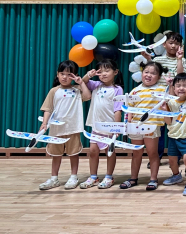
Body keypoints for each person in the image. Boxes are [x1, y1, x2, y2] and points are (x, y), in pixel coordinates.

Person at [38, 60, 91, 191]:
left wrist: (81, 82)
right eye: (62, 73)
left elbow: (88, 96)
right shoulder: (54, 91)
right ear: (57, 74)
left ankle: (74, 177)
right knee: (56, 155)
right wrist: (45, 123)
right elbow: (48, 109)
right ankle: (54, 178)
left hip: (73, 128)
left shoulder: (77, 90)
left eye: (69, 74)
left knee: (74, 154)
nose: (65, 77)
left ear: (74, 75)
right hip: (56, 130)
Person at [119, 61, 168, 191]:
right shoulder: (135, 91)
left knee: (152, 153)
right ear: (141, 73)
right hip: (135, 126)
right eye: (146, 72)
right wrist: (128, 124)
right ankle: (133, 178)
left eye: (153, 73)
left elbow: (170, 100)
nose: (148, 75)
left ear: (158, 77)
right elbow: (130, 109)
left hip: (152, 126)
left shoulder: (162, 90)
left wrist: (170, 85)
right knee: (136, 153)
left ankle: (153, 179)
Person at [142, 31, 186, 167]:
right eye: (171, 43)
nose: (173, 46)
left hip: (176, 100)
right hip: (159, 100)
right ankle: (156, 157)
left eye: (177, 43)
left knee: (176, 129)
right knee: (159, 131)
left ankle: (176, 156)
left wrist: (179, 59)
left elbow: (181, 76)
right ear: (164, 44)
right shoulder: (157, 60)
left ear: (180, 46)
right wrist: (149, 60)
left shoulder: (183, 60)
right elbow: (151, 75)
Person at [79, 59, 125, 189]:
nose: (104, 74)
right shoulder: (96, 85)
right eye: (101, 71)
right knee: (93, 150)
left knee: (109, 151)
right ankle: (93, 177)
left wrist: (116, 127)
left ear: (115, 72)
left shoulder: (117, 89)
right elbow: (83, 82)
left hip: (109, 127)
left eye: (107, 70)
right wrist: (89, 75)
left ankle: (109, 177)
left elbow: (118, 109)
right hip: (96, 125)